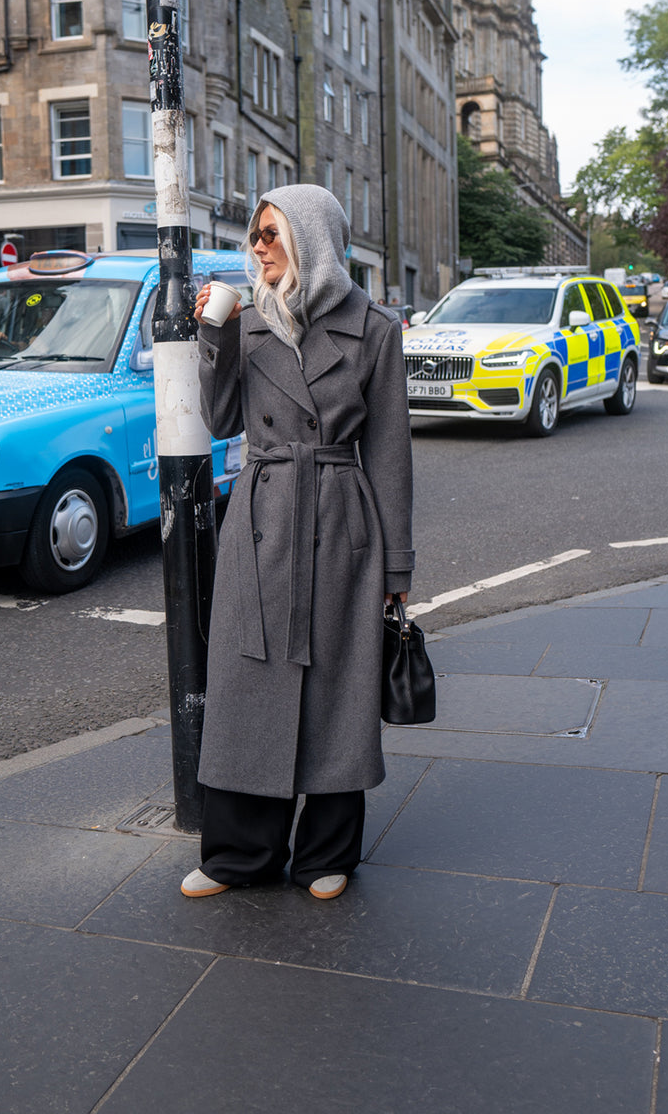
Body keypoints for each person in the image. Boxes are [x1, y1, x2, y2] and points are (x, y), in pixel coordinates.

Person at [183, 184, 414, 901]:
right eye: (255, 235)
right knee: (247, 684)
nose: (257, 248)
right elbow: (221, 421)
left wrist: (397, 565)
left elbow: (391, 453)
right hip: (262, 520)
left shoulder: (373, 329)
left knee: (336, 693)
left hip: (343, 519)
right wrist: (212, 337)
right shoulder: (248, 323)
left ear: (311, 240)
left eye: (271, 235)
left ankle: (325, 855)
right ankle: (237, 857)